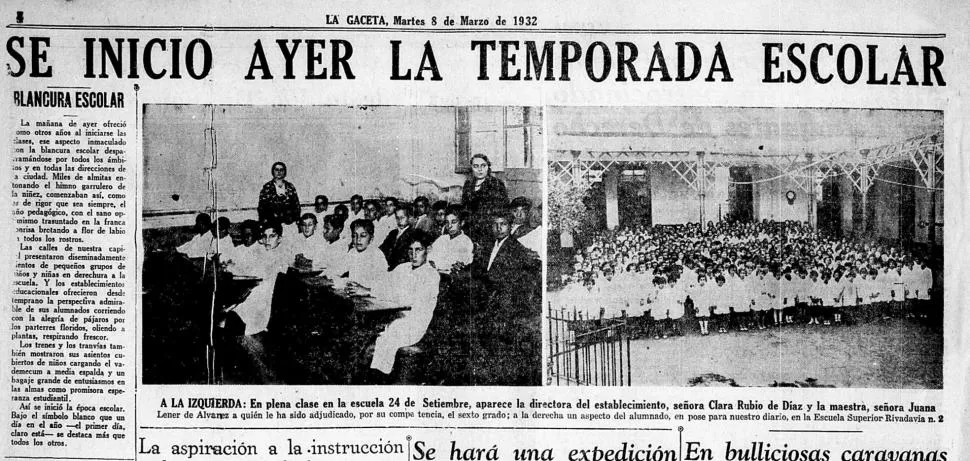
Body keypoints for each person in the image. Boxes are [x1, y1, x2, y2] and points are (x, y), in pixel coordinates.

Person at [366, 232, 441, 379]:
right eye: (410, 250)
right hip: (397, 318)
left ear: (428, 250)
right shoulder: (402, 268)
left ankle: (379, 378)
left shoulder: (431, 275)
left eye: (418, 250)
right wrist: (366, 289)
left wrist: (386, 294)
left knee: (385, 341)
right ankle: (373, 376)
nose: (413, 255)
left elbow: (408, 300)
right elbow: (383, 285)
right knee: (370, 337)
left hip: (414, 324)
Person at [329, 219, 388, 290]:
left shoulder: (377, 255)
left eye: (363, 236)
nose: (358, 239)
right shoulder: (353, 252)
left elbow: (383, 284)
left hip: (370, 296)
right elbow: (338, 269)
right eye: (354, 236)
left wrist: (364, 289)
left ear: (371, 239)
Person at [461, 154, 508, 242]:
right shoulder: (468, 185)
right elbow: (465, 209)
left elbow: (501, 211)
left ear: (488, 167)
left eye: (483, 166)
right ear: (471, 168)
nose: (480, 169)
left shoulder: (496, 184)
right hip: (470, 229)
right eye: (476, 166)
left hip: (489, 230)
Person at [429, 205, 474, 274]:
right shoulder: (442, 239)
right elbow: (429, 256)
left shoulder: (466, 242)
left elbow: (454, 264)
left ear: (462, 223)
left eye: (453, 222)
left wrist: (437, 264)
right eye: (447, 222)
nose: (449, 226)